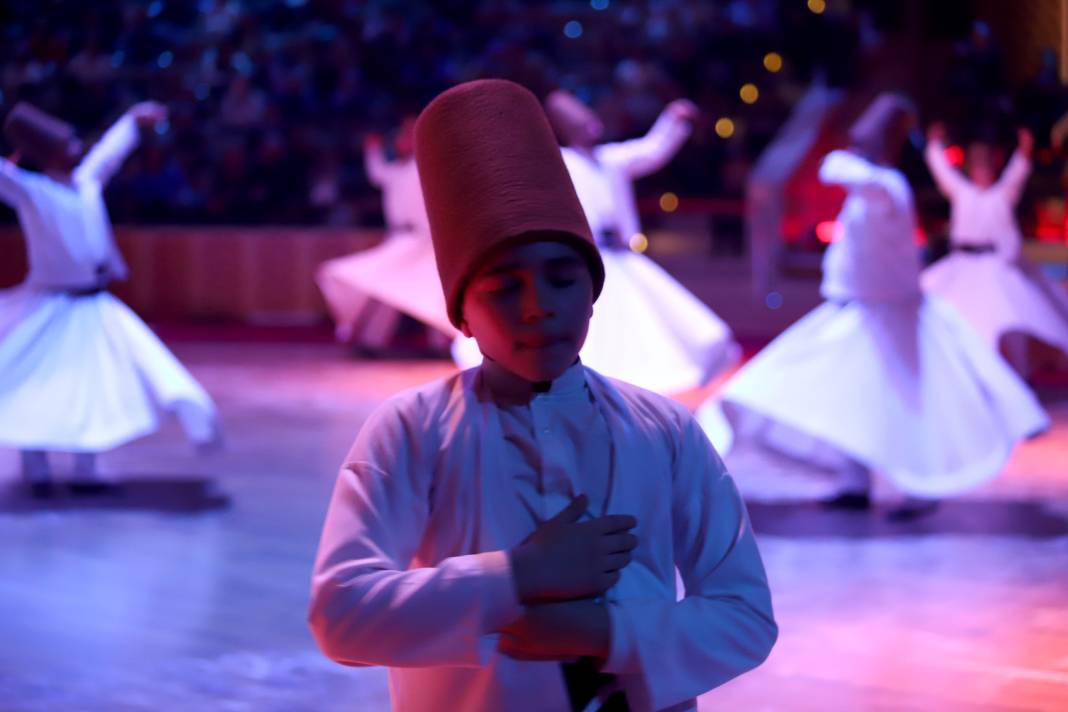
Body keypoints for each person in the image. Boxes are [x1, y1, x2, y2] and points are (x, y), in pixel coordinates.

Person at [309, 79, 776, 712]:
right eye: (505, 288)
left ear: (593, 292)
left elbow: (745, 616)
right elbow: (341, 614)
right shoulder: (413, 429)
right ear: (461, 315)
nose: (538, 308)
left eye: (561, 279)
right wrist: (517, 575)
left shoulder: (665, 431)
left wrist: (605, 633)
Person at [696, 93, 1048, 520]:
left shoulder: (886, 186)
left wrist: (856, 155)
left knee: (903, 402)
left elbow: (839, 170)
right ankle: (854, 482)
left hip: (891, 316)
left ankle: (917, 486)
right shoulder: (870, 187)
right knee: (852, 397)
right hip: (863, 310)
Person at [450, 89, 738, 394]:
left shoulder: (611, 159)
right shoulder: (559, 162)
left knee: (646, 320)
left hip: (620, 256)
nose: (590, 127)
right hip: (586, 256)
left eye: (590, 121)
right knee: (596, 323)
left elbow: (652, 150)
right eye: (581, 124)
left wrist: (673, 120)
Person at [0, 101, 218, 495]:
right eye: (67, 145)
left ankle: (85, 468)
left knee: (90, 386)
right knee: (36, 382)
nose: (76, 148)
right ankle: (36, 468)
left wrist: (132, 120)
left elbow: (108, 153)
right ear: (49, 155)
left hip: (91, 307)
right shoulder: (33, 191)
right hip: (49, 304)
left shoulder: (86, 183)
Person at [921, 123, 1068, 376]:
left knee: (1012, 316)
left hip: (997, 267)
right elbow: (942, 172)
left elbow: (1016, 175)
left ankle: (1019, 373)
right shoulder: (963, 192)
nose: (983, 172)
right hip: (963, 266)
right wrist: (934, 146)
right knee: (957, 317)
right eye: (978, 166)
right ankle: (962, 370)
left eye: (987, 166)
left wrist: (1024, 150)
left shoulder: (1002, 194)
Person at [315, 116, 456, 353]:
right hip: (402, 238)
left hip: (422, 238)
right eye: (402, 135)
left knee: (428, 291)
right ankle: (374, 342)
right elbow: (378, 173)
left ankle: (438, 344)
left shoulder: (426, 165)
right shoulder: (399, 170)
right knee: (391, 290)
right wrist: (372, 150)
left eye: (407, 136)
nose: (401, 140)